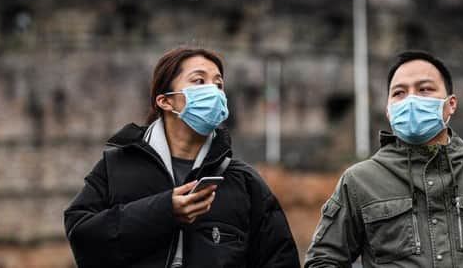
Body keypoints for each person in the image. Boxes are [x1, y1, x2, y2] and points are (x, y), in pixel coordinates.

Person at [305, 50, 463, 267]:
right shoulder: (359, 182)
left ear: (451, 104)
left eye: (425, 89)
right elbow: (322, 259)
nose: (412, 100)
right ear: (389, 110)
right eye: (399, 93)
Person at [65, 47, 299, 268]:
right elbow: (82, 236)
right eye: (199, 81)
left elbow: (279, 259)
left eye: (219, 84)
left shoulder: (244, 182)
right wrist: (164, 211)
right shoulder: (116, 166)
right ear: (165, 100)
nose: (214, 92)